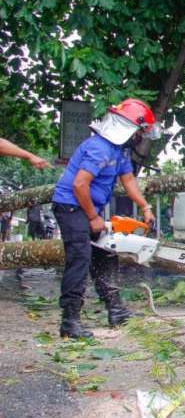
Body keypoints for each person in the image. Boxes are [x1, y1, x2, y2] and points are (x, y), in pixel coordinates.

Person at [52, 99, 159, 339]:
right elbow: (80, 184)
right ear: (130, 128)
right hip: (71, 206)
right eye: (141, 132)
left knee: (105, 253)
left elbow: (128, 180)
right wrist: (92, 217)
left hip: (86, 207)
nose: (141, 137)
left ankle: (116, 309)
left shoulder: (119, 151)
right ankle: (69, 321)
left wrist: (145, 207)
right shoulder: (99, 148)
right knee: (80, 258)